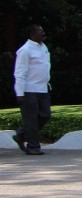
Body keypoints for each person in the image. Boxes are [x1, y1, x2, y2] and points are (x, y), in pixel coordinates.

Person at [13, 24, 51, 155]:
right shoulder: (25, 50)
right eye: (40, 31)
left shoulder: (43, 47)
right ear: (32, 35)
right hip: (29, 89)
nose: (43, 33)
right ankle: (33, 147)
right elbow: (19, 73)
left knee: (46, 115)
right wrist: (19, 93)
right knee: (31, 119)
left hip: (43, 88)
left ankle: (22, 134)